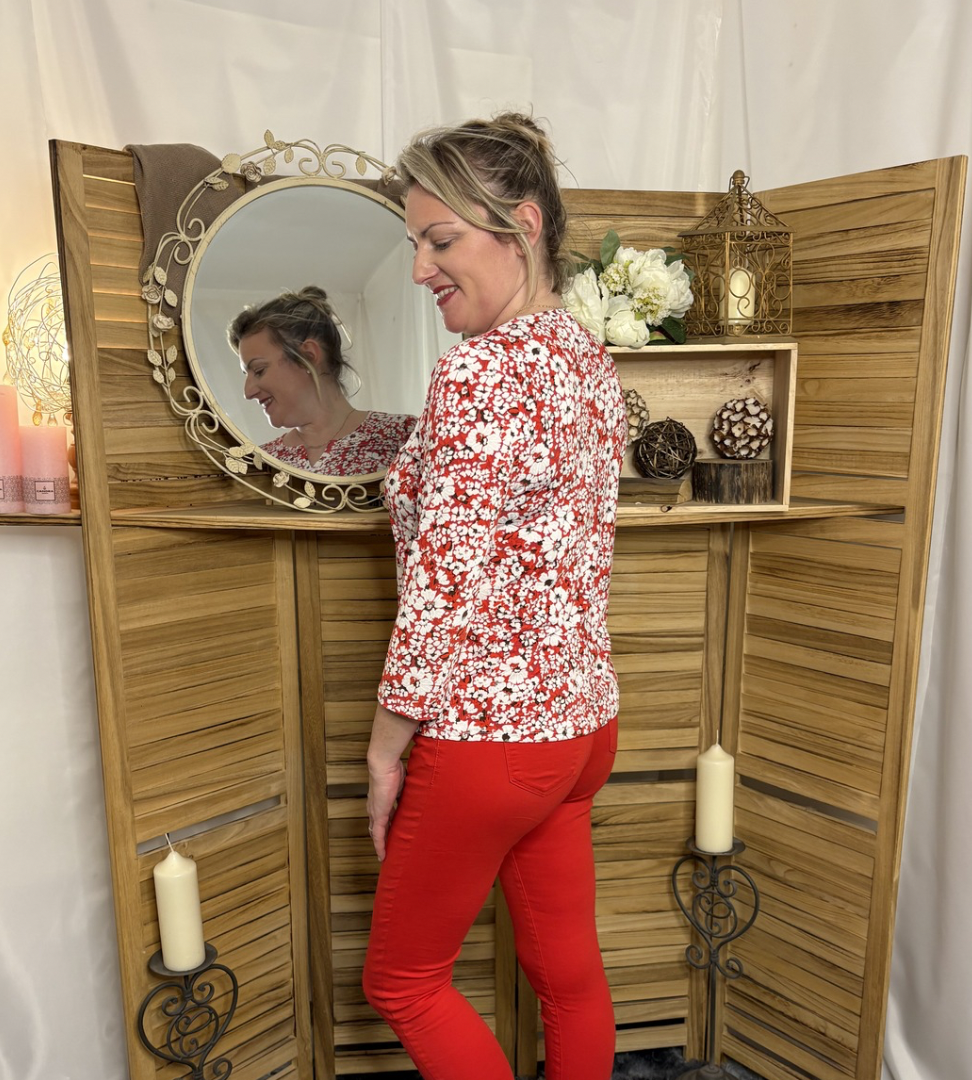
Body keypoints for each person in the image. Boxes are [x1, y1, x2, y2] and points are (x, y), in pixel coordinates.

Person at [361, 113, 627, 1080]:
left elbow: (445, 586)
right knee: (568, 976)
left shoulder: (479, 371)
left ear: (522, 225)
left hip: (490, 735)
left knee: (403, 981)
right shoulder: (585, 358)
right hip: (579, 726)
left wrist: (384, 752)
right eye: (415, 244)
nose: (420, 269)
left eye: (440, 241)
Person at [228, 286, 416, 475]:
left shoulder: (403, 436)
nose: (247, 392)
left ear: (309, 356)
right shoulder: (260, 464)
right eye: (246, 374)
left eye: (259, 370)